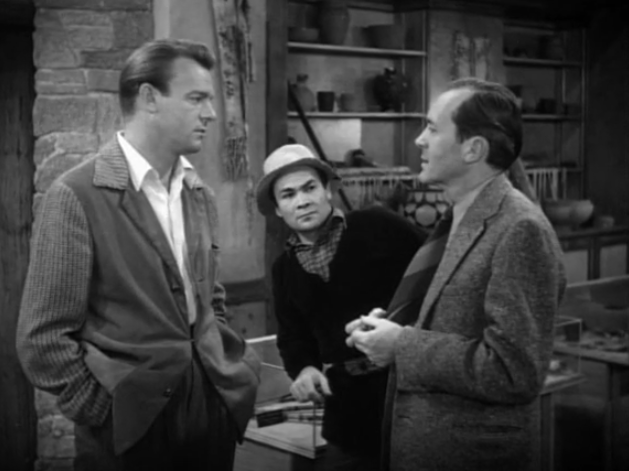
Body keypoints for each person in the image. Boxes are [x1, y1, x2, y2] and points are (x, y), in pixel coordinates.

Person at [16, 39, 260, 471]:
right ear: (149, 98)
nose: (211, 113)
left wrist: (220, 374)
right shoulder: (76, 194)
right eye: (196, 98)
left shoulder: (197, 192)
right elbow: (42, 339)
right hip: (128, 427)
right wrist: (105, 410)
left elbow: (210, 299)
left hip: (209, 411)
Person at [345, 77, 566, 471]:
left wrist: (402, 345)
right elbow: (451, 323)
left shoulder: (520, 229)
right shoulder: (458, 218)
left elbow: (513, 371)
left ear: (473, 149)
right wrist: (387, 332)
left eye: (432, 128)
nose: (419, 140)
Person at [255, 144, 425, 471]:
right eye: (288, 195)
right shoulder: (284, 269)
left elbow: (438, 269)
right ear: (277, 209)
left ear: (328, 191)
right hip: (348, 410)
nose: (302, 201)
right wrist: (305, 369)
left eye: (310, 188)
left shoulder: (379, 226)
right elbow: (293, 336)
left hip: (410, 393)